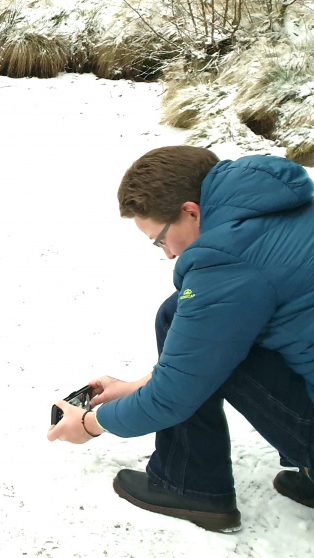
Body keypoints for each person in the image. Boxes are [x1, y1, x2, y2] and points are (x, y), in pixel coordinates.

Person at [47, 145, 314, 532]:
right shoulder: (280, 206)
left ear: (191, 211)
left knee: (177, 316)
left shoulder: (226, 262)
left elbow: (175, 394)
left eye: (160, 239)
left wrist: (90, 423)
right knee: (206, 329)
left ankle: (189, 483)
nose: (168, 254)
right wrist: (134, 386)